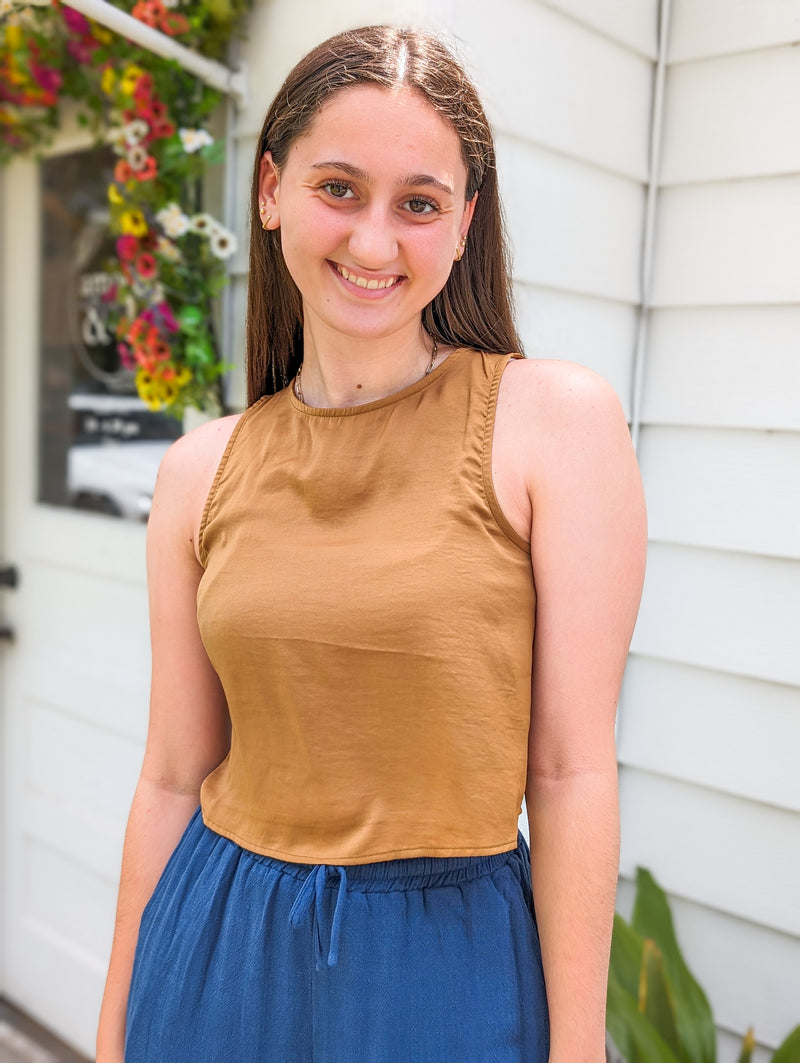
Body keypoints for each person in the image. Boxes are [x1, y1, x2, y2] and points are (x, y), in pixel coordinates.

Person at [96, 24, 646, 1063]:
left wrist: (577, 1048)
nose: (373, 241)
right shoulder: (196, 472)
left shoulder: (553, 425)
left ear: (462, 224)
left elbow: (571, 768)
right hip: (213, 951)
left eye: (418, 203)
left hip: (448, 970)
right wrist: (115, 1028)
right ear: (269, 191)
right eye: (337, 188)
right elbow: (172, 773)